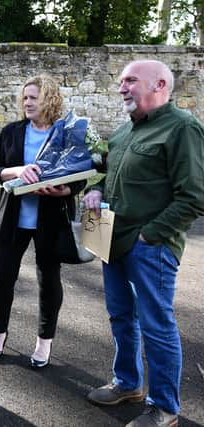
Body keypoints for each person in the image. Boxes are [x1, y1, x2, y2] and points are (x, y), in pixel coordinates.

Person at [83, 60, 204, 427]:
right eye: (121, 81)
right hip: (110, 237)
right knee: (121, 315)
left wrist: (149, 236)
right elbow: (112, 179)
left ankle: (165, 407)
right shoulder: (122, 133)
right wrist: (94, 191)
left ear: (160, 85)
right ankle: (127, 383)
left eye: (131, 80)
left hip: (150, 247)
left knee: (156, 325)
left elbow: (194, 196)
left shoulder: (183, 128)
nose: (122, 87)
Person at [0, 75, 86, 368]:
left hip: (51, 220)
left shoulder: (66, 134)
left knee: (49, 282)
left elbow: (79, 176)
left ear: (50, 99)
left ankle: (44, 342)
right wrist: (17, 171)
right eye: (25, 98)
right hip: (13, 219)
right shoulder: (11, 132)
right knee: (3, 279)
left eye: (34, 97)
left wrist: (65, 190)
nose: (27, 102)